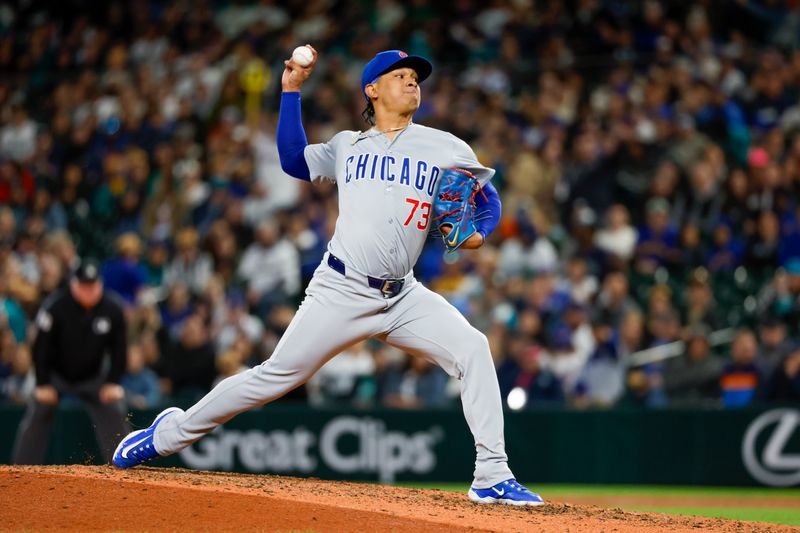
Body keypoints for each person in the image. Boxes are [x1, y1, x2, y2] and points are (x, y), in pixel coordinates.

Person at [112, 46, 544, 506]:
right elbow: (293, 159)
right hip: (341, 288)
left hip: (403, 296)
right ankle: (169, 434)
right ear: (372, 90)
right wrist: (291, 90)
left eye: (416, 76)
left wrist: (479, 233)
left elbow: (487, 199)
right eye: (400, 75)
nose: (412, 81)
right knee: (274, 377)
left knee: (473, 347)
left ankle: (491, 473)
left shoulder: (447, 147)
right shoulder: (347, 145)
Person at [12, 259, 129, 463]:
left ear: (100, 284)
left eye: (93, 286)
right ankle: (22, 470)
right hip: (57, 375)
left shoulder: (112, 309)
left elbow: (119, 349)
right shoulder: (56, 307)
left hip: (93, 377)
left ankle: (124, 464)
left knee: (114, 408)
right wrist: (42, 383)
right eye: (84, 286)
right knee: (39, 408)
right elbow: (41, 347)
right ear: (73, 285)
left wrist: (113, 381)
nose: (89, 291)